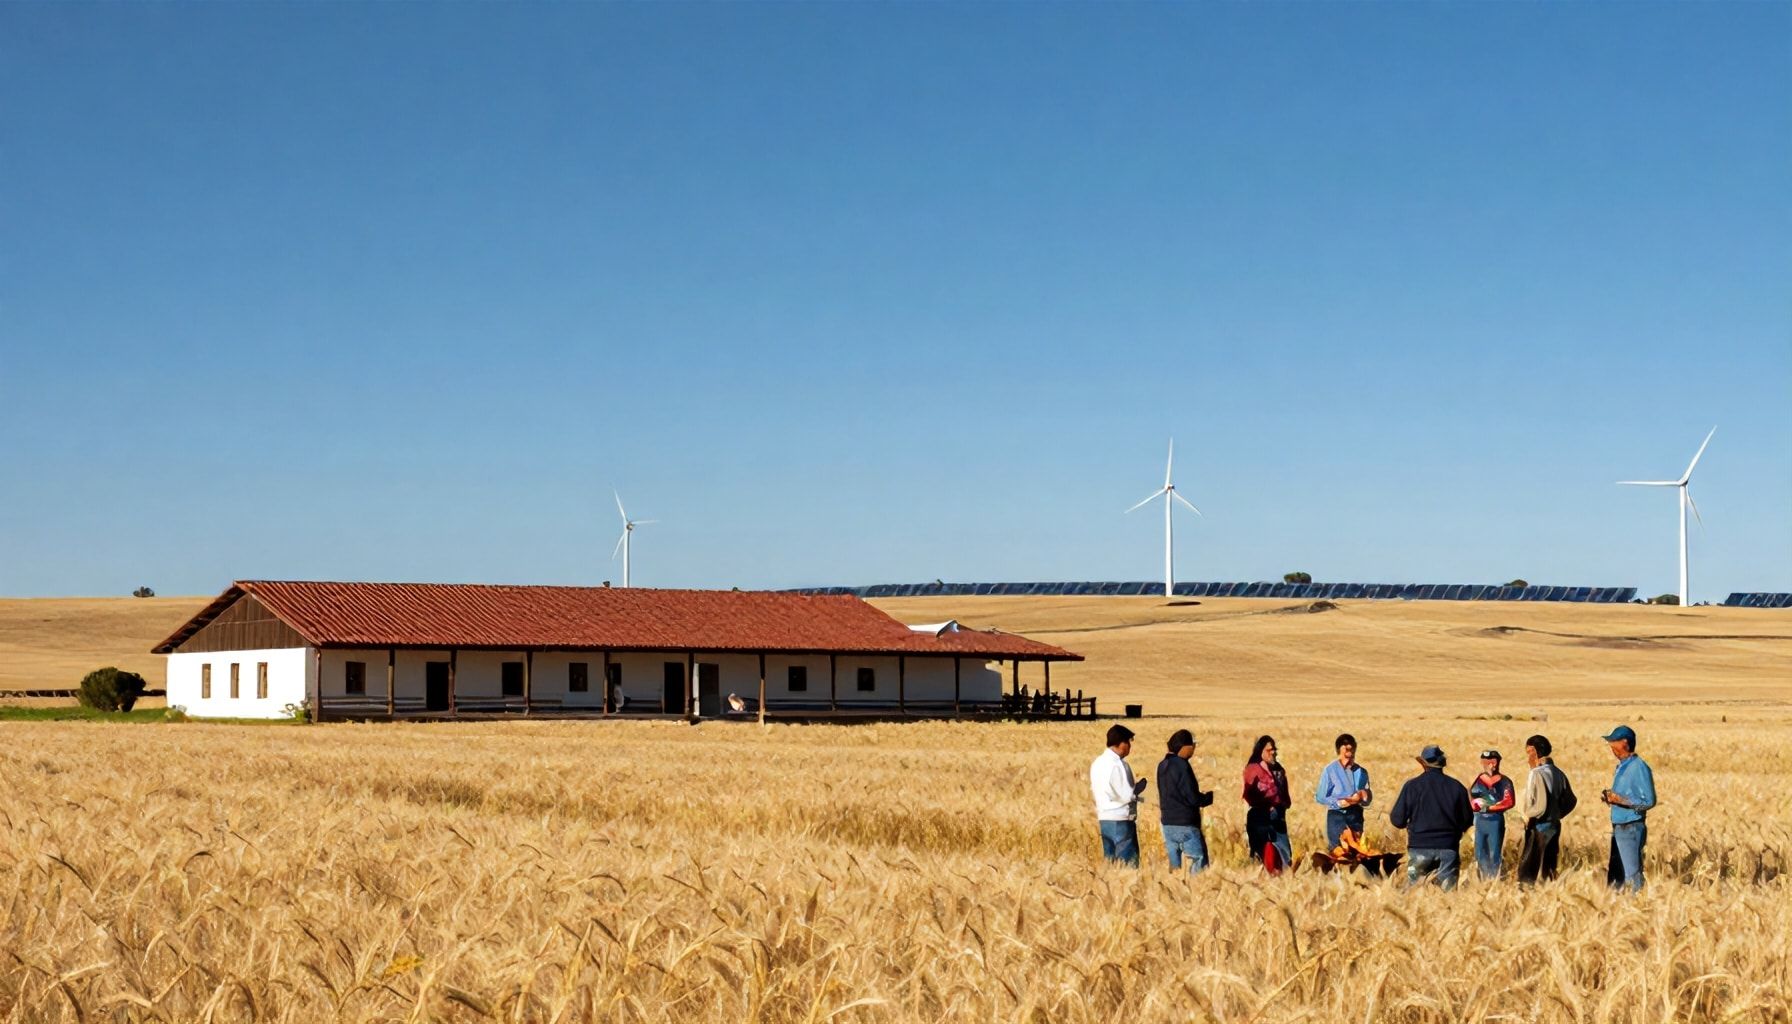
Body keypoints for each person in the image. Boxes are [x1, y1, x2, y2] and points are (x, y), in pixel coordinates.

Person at [1388, 744, 1473, 890]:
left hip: (1419, 849)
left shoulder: (1412, 786)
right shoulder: (1457, 787)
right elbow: (1467, 820)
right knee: (1448, 899)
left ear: (1423, 764)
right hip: (1448, 849)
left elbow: (1397, 820)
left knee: (1415, 896)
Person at [1600, 725, 1656, 892]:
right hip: (1619, 825)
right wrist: (1611, 798)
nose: (1610, 747)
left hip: (1632, 826)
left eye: (1613, 742)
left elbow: (1648, 801)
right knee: (1617, 874)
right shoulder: (1622, 766)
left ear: (1625, 743)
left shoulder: (1639, 767)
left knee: (1631, 874)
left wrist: (1623, 801)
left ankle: (1636, 906)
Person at [1516, 734, 1576, 886]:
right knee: (1549, 867)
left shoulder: (1535, 773)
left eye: (1528, 752)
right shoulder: (1559, 773)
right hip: (1554, 824)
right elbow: (1571, 800)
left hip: (1538, 824)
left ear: (1534, 752)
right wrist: (1557, 813)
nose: (1527, 757)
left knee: (1529, 870)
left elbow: (1532, 803)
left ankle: (1528, 897)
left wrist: (1529, 818)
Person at [1157, 728, 1214, 873]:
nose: (1194, 749)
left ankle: (1174, 893)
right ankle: (1196, 893)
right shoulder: (1182, 765)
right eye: (1192, 746)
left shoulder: (1162, 765)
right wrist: (1207, 798)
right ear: (1183, 747)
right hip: (1185, 824)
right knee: (1198, 861)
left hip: (1167, 823)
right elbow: (1191, 797)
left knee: (1175, 869)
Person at [1090, 724, 1147, 867]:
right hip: (1121, 819)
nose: (1129, 746)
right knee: (1127, 866)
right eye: (1127, 742)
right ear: (1119, 743)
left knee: (1111, 865)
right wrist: (1138, 789)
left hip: (1104, 819)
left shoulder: (1097, 762)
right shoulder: (1118, 765)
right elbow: (1126, 795)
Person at [1242, 735, 1293, 871]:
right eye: (1269, 750)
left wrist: (1285, 803)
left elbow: (1284, 790)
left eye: (1274, 749)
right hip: (1260, 814)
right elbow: (1248, 794)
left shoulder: (1278, 769)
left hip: (1278, 814)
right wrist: (1266, 805)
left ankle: (1284, 875)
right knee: (1260, 851)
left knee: (1284, 851)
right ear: (1261, 752)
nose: (1273, 752)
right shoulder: (1253, 769)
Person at [1314, 733, 1372, 848]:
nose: (1349, 760)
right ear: (1338, 752)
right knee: (1338, 852)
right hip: (1337, 816)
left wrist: (1364, 795)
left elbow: (1368, 796)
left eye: (1352, 756)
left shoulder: (1361, 772)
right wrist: (1339, 803)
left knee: (1358, 850)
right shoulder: (1330, 770)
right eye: (1346, 756)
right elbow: (1320, 796)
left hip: (1356, 815)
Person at [1469, 749, 1516, 880]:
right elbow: (1471, 797)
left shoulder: (1505, 781)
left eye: (1494, 762)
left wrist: (1489, 807)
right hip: (1480, 820)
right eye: (1487, 762)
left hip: (1495, 821)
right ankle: (1483, 879)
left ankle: (1493, 879)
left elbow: (1509, 801)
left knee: (1494, 852)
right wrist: (1475, 804)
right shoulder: (1479, 780)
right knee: (1479, 853)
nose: (1491, 765)